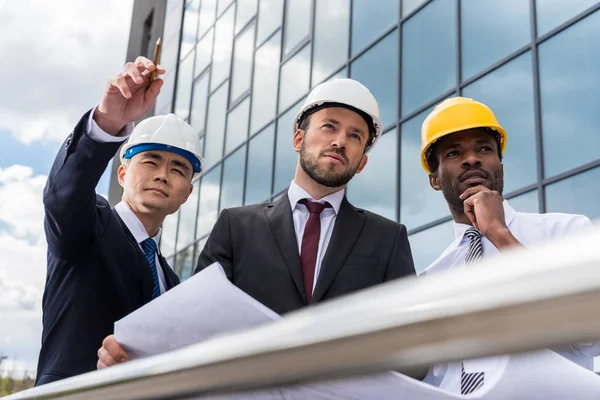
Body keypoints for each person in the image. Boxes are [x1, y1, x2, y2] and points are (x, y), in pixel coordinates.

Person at [97, 78, 417, 368]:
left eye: (354, 135)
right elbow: (193, 325)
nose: (339, 141)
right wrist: (135, 358)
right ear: (298, 139)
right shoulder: (237, 228)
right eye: (329, 127)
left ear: (362, 162)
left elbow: (413, 348)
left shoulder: (387, 240)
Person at [36, 56, 202, 385]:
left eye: (177, 169)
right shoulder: (87, 226)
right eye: (151, 161)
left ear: (187, 193)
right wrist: (107, 122)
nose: (162, 176)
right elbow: (63, 195)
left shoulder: (170, 281)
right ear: (123, 173)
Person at [418, 96, 600, 394]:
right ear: (434, 179)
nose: (471, 158)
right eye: (454, 152)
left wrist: (501, 235)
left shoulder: (566, 233)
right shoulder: (430, 279)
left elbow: (592, 335)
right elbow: (434, 381)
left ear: (499, 164)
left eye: (484, 148)